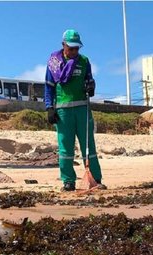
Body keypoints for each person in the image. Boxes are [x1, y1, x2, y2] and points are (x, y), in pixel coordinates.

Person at [45, 29, 105, 192]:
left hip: (82, 110)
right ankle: (68, 181)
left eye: (77, 48)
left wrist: (91, 86)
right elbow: (49, 87)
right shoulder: (54, 62)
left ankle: (96, 179)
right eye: (71, 48)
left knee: (89, 146)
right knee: (65, 148)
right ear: (63, 45)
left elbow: (90, 80)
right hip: (63, 112)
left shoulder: (84, 61)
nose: (74, 51)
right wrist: (49, 108)